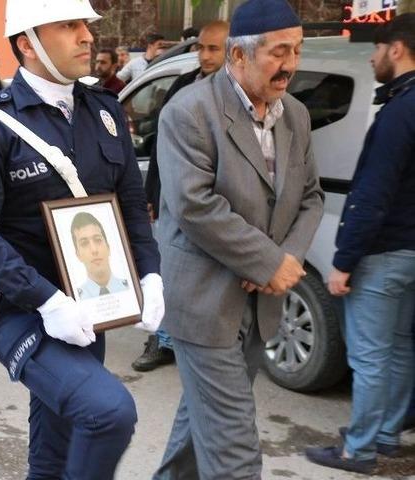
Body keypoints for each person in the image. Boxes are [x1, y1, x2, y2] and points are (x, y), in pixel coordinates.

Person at [0, 0, 164, 477]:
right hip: (23, 307)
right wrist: (48, 302)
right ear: (27, 43)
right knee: (108, 412)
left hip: (90, 302)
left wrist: (149, 273)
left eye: (85, 24)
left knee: (56, 445)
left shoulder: (104, 111)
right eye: (69, 25)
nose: (87, 35)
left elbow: (130, 204)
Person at [151, 0, 324, 477]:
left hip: (258, 303)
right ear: (239, 56)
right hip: (204, 303)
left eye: (298, 49)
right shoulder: (189, 112)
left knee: (200, 425)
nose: (291, 64)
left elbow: (310, 197)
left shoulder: (297, 116)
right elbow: (194, 205)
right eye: (279, 51)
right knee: (234, 450)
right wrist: (264, 262)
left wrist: (284, 256)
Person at [305, 13, 415, 475]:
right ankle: (388, 435)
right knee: (400, 345)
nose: (371, 57)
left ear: (396, 49)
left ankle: (360, 450)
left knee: (369, 356)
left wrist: (344, 261)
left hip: (384, 251)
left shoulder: (398, 111)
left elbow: (372, 192)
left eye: (376, 49)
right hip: (410, 251)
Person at [133, 20, 229, 373]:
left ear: (233, 49)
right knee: (166, 270)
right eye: (201, 48)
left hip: (216, 205)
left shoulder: (237, 93)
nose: (204, 55)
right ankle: (161, 340)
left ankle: (193, 340)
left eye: (213, 49)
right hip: (173, 199)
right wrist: (151, 193)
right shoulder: (183, 85)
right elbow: (161, 143)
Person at [71, 212, 129, 299]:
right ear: (78, 255)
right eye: (84, 243)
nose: (94, 250)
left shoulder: (131, 289)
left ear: (108, 248)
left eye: (98, 240)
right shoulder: (75, 299)